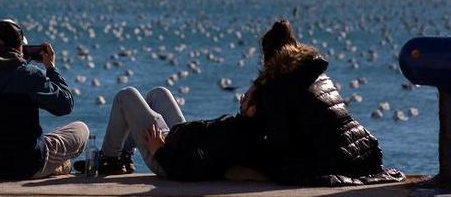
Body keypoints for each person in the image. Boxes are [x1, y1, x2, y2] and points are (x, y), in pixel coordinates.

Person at [251, 19, 404, 186]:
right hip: (366, 152)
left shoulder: (277, 86)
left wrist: (253, 116)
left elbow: (279, 141)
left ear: (268, 56)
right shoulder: (316, 73)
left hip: (336, 158)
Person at [0, 19, 88, 179]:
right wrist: (50, 68)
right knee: (81, 129)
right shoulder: (30, 76)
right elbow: (65, 105)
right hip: (26, 165)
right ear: (19, 47)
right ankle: (53, 166)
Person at [91, 85, 263, 180]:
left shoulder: (235, 134)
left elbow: (193, 168)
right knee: (159, 94)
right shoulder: (241, 127)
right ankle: (124, 156)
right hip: (178, 142)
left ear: (253, 110)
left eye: (246, 97)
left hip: (167, 156)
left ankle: (109, 160)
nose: (241, 98)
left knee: (126, 96)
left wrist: (159, 150)